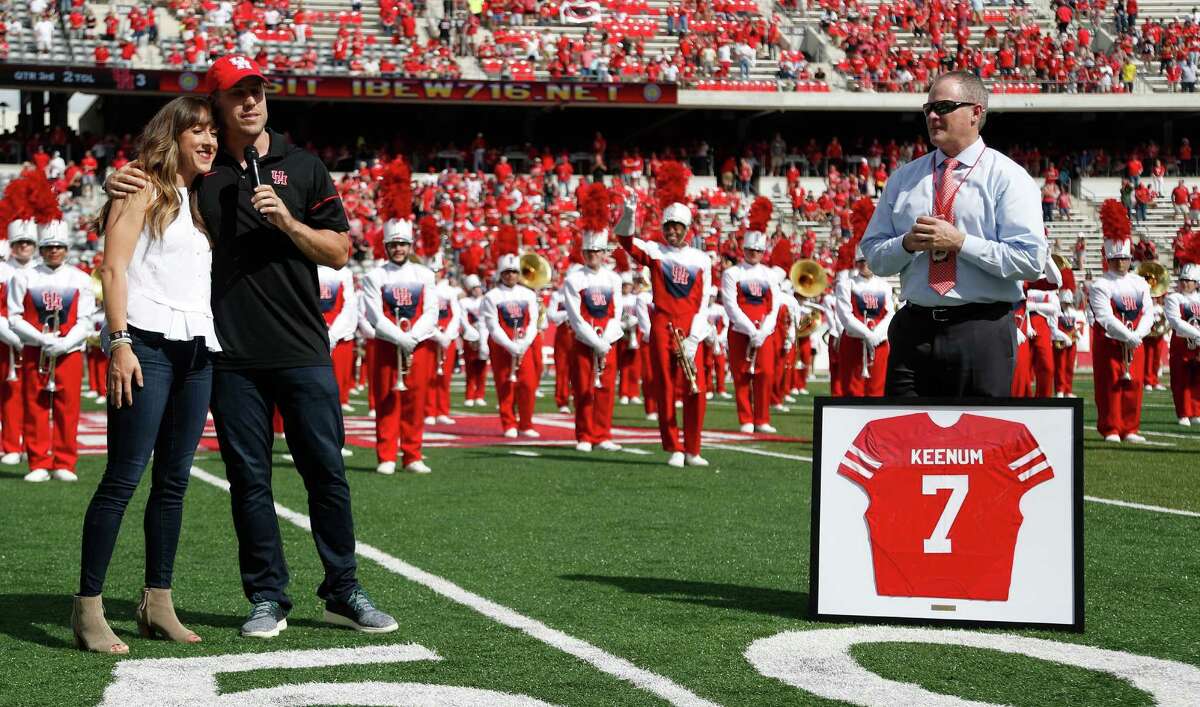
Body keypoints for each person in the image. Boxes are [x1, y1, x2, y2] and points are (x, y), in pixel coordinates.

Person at [106, 55, 396, 638]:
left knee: (327, 476)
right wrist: (114, 178)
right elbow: (139, 200)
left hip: (304, 348)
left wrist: (288, 224)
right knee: (250, 481)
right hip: (231, 355)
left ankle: (344, 589)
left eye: (258, 91)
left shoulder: (306, 164)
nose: (251, 102)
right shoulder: (199, 171)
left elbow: (340, 252)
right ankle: (267, 595)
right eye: (238, 94)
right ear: (216, 105)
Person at [73, 96, 220, 654]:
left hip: (198, 350)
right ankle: (87, 609)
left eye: (212, 132)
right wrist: (119, 343)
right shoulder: (140, 187)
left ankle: (157, 602)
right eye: (197, 132)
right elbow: (111, 266)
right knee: (124, 478)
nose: (207, 140)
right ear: (173, 137)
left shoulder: (196, 195)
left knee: (174, 483)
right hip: (145, 346)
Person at [860, 71, 1046, 397]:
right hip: (913, 329)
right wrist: (905, 244)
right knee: (908, 443)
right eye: (928, 108)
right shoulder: (904, 179)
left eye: (944, 106)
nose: (932, 115)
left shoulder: (1008, 178)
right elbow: (874, 255)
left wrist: (961, 243)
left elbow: (1030, 261)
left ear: (976, 112)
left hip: (981, 329)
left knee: (977, 443)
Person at [617, 195, 713, 468]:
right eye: (668, 226)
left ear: (687, 228)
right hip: (663, 325)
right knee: (666, 388)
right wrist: (629, 213)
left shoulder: (701, 259)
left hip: (691, 327)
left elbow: (704, 299)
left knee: (697, 389)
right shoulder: (655, 251)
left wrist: (695, 335)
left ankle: (694, 448)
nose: (672, 231)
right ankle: (675, 447)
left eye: (677, 226)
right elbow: (625, 241)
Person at [9, 220, 96, 483]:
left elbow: (86, 320)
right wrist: (41, 338)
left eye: (58, 246)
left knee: (67, 409)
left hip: (68, 352)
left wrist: (64, 342)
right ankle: (38, 462)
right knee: (34, 407)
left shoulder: (80, 278)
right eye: (48, 247)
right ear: (41, 249)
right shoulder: (23, 276)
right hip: (36, 351)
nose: (54, 251)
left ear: (67, 248)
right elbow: (14, 317)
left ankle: (65, 462)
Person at [362, 218, 437, 474]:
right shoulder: (375, 275)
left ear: (410, 245)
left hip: (418, 345)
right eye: (394, 244)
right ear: (386, 246)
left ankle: (413, 455)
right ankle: (386, 456)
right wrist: (399, 337)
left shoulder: (425, 274)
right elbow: (374, 315)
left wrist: (413, 336)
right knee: (387, 399)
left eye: (403, 244)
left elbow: (431, 312)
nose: (398, 249)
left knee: (415, 401)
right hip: (386, 345)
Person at [562, 202, 625, 452]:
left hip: (608, 338)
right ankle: (585, 435)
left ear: (604, 252)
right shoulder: (574, 278)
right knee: (583, 387)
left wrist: (606, 340)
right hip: (584, 339)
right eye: (588, 252)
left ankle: (603, 433)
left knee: (607, 387)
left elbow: (617, 311)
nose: (592, 256)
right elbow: (575, 316)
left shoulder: (614, 278)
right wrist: (595, 340)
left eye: (597, 252)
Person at [1089, 228, 1153, 443]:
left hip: (1135, 341)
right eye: (1116, 259)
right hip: (1110, 342)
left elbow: (1148, 313)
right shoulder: (1100, 284)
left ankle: (1131, 428)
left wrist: (1138, 335)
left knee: (1134, 385)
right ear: (1108, 259)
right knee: (1110, 385)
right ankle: (1111, 428)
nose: (1121, 263)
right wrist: (1128, 335)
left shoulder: (1140, 282)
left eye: (1124, 258)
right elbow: (1105, 317)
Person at [722, 227, 781, 433]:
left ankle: (762, 419)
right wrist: (749, 329)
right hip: (740, 331)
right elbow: (730, 304)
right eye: (750, 249)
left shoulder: (770, 274)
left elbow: (775, 305)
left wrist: (763, 331)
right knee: (741, 374)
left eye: (758, 250)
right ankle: (745, 418)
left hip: (765, 331)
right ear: (743, 249)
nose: (753, 253)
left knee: (765, 374)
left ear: (763, 251)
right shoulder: (732, 273)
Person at [480, 242, 540, 438]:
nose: (511, 276)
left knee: (528, 386)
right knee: (505, 385)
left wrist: (523, 344)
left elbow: (532, 322)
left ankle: (526, 423)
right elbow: (492, 325)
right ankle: (508, 424)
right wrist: (509, 345)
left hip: (524, 345)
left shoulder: (528, 294)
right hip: (502, 347)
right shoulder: (492, 296)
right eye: (507, 272)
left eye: (514, 272)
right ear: (501, 274)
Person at [0, 219, 38, 466]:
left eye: (28, 242)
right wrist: (11, 336)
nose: (24, 246)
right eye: (20, 242)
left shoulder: (42, 269)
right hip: (6, 341)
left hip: (38, 343)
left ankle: (34, 447)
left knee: (36, 398)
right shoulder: (2, 271)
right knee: (10, 395)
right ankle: (11, 444)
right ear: (12, 245)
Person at [836, 245, 894, 397]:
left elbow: (890, 314)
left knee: (877, 389)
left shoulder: (885, 286)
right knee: (852, 389)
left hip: (879, 343)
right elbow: (846, 317)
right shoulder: (846, 284)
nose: (865, 264)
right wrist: (867, 334)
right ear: (856, 262)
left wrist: (876, 335)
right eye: (861, 261)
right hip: (854, 341)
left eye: (868, 260)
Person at [1164, 242, 1200, 425]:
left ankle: (1196, 411)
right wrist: (1197, 335)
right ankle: (1183, 413)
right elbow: (1176, 322)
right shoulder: (1174, 298)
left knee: (1197, 379)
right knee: (1181, 379)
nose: (1185, 283)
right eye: (1183, 280)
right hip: (1181, 344)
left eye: (1189, 281)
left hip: (1198, 346)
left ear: (1196, 283)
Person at [318, 262, 358, 415]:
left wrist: (333, 334)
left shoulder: (344, 273)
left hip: (339, 335)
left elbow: (349, 305)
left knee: (340, 377)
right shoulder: (303, 268)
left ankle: (342, 402)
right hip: (312, 334)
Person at [425, 268, 463, 426]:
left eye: (437, 271)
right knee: (428, 377)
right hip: (429, 338)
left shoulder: (450, 292)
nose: (435, 274)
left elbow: (456, 314)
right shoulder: (425, 288)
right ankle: (429, 411)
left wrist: (447, 335)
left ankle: (442, 411)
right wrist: (435, 334)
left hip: (448, 338)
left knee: (444, 378)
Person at [459, 274, 490, 407]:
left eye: (479, 288)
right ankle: (469, 396)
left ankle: (480, 395)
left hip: (484, 335)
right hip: (470, 337)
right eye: (475, 288)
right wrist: (470, 331)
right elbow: (463, 319)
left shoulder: (486, 300)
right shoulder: (464, 302)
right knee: (470, 368)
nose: (478, 290)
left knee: (482, 368)